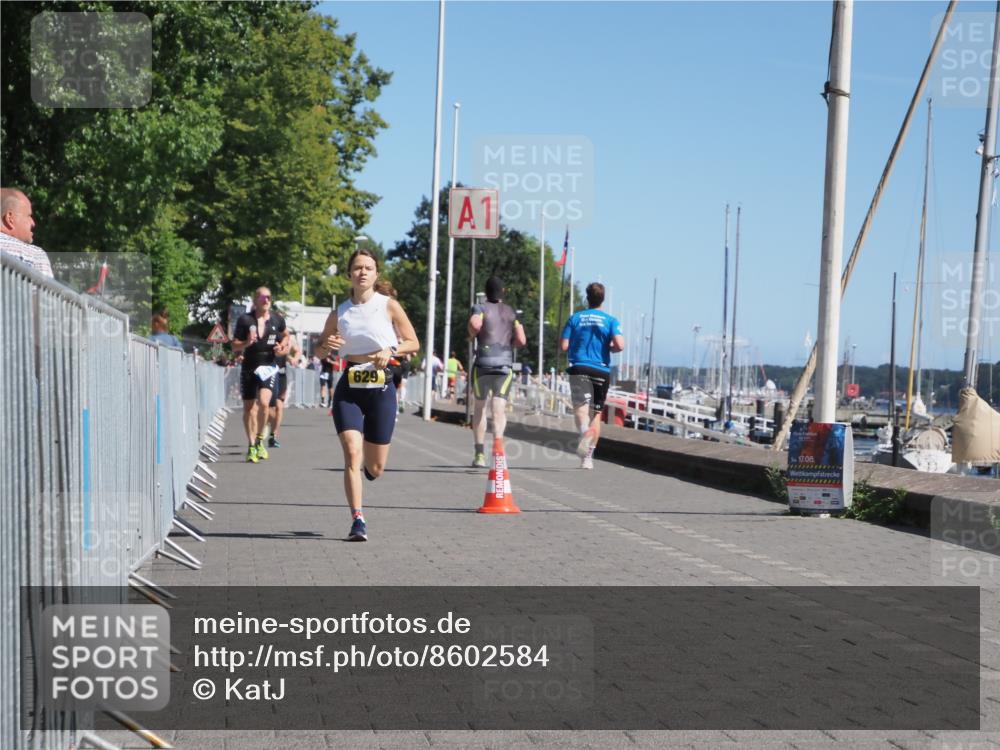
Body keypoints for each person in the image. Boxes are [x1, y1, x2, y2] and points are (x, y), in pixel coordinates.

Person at [316, 248, 419, 542]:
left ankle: (369, 471)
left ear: (376, 274)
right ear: (349, 273)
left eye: (368, 268)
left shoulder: (388, 306)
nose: (362, 272)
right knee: (352, 452)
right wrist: (327, 346)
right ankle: (357, 519)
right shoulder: (339, 312)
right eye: (358, 267)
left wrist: (391, 350)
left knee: (375, 467)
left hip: (381, 387)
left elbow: (413, 342)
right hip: (350, 386)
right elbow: (320, 351)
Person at [560, 282, 624, 470]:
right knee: (595, 413)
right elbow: (620, 345)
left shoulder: (575, 318)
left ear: (587, 298)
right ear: (603, 299)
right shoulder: (611, 321)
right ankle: (588, 458)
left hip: (579, 367)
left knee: (581, 410)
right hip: (601, 370)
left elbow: (564, 346)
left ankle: (584, 431)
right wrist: (608, 348)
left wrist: (576, 346)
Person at [467, 276, 526, 468]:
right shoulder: (511, 312)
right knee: (498, 408)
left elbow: (475, 324)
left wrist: (472, 333)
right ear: (503, 292)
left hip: (483, 364)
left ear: (486, 291)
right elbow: (522, 339)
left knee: (480, 408)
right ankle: (498, 451)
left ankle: (479, 455)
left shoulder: (480, 307)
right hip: (504, 366)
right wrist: (509, 344)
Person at [232, 287, 289, 463]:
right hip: (250, 365)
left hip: (268, 366)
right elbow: (234, 345)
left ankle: (259, 440)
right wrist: (246, 343)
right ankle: (251, 445)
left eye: (269, 298)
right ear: (255, 300)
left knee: (264, 403)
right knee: (249, 408)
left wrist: (282, 347)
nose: (266, 301)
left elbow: (286, 335)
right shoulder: (245, 320)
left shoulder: (277, 319)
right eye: (263, 298)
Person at [0, 188, 53, 278]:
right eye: (29, 215)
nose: (33, 223)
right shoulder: (34, 256)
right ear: (10, 218)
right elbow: (43, 287)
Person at [267, 329, 301, 448]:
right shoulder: (268, 335)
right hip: (267, 375)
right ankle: (267, 424)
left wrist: (294, 359)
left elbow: (297, 350)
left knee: (279, 406)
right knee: (267, 407)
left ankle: (274, 435)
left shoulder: (287, 339)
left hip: (281, 375)